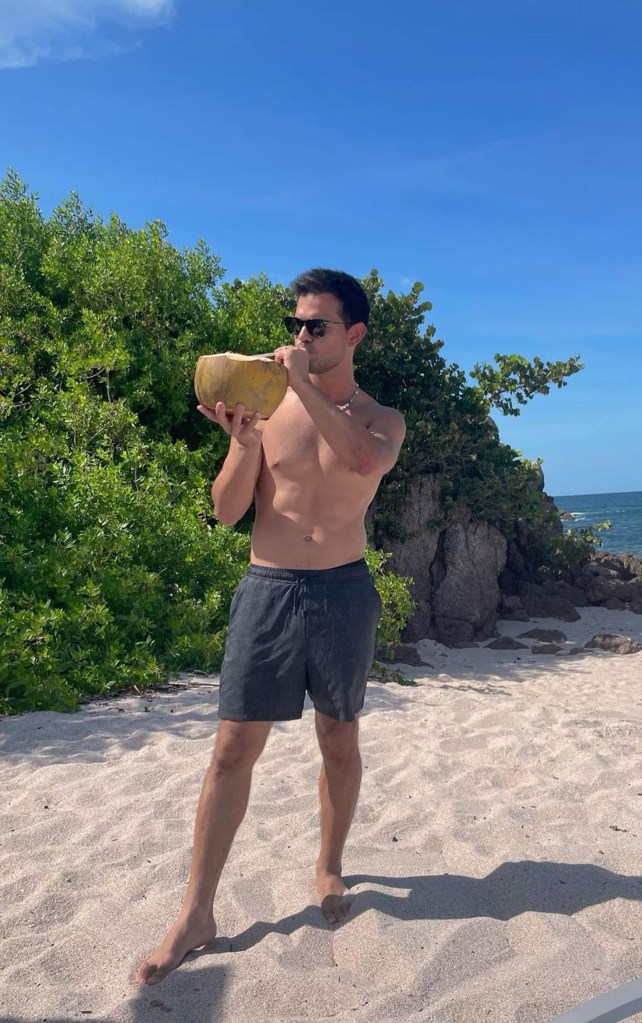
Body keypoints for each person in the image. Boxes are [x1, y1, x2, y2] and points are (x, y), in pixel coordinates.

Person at [135, 268, 406, 986]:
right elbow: (226, 511)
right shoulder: (268, 406)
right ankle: (197, 911)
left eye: (314, 326)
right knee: (231, 750)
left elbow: (359, 459)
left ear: (353, 334)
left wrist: (304, 386)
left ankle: (329, 865)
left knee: (338, 737)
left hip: (345, 591)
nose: (298, 337)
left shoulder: (382, 418)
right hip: (269, 588)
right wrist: (245, 444)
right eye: (295, 324)